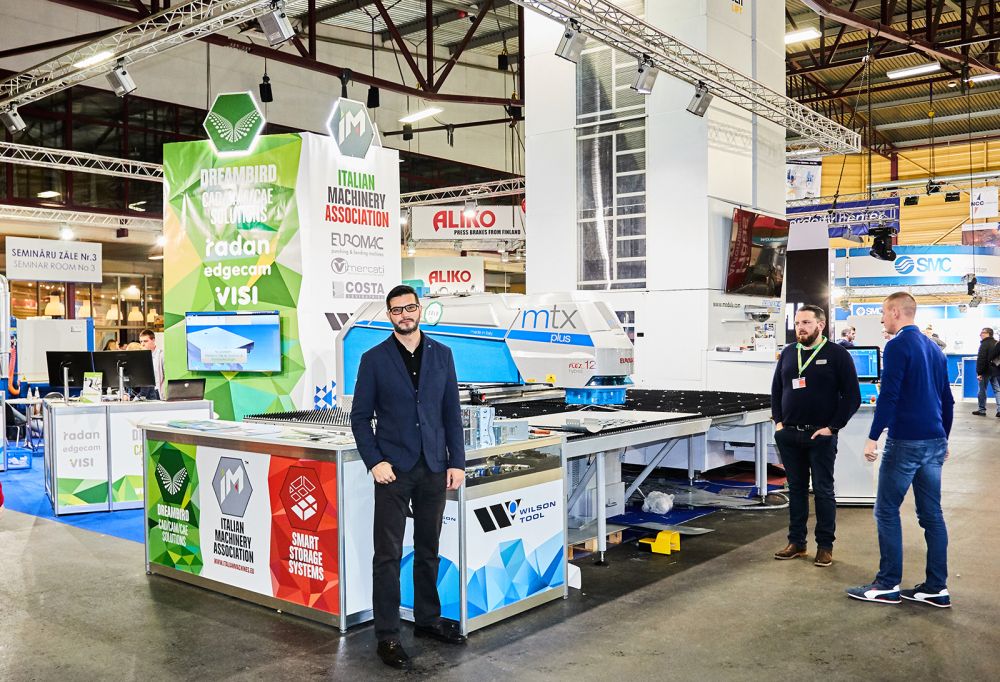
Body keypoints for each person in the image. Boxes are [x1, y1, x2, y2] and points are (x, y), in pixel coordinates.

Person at [350, 284, 467, 670]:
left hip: (434, 467)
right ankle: (387, 635)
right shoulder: (374, 359)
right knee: (387, 554)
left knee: (428, 548)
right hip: (393, 471)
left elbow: (451, 413)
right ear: (389, 315)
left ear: (420, 310)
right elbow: (360, 418)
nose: (405, 315)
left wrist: (457, 462)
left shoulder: (442, 354)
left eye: (410, 308)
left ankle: (428, 620)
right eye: (397, 310)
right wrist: (374, 461)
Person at [847, 292, 954, 607]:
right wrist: (944, 437)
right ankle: (936, 587)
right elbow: (947, 400)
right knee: (932, 515)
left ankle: (887, 583)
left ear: (895, 311)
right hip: (933, 441)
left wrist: (872, 437)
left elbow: (889, 396)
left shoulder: (896, 346)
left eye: (884, 312)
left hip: (905, 441)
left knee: (886, 510)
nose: (882, 319)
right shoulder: (935, 350)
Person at [771, 305, 861, 567]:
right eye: (798, 323)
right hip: (789, 435)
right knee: (797, 490)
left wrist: (832, 428)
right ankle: (797, 543)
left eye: (806, 323)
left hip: (820, 436)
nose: (800, 328)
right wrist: (779, 423)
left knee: (823, 491)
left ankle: (825, 546)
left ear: (820, 325)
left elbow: (852, 396)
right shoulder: (789, 353)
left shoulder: (837, 354)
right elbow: (777, 390)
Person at [972, 327, 1000, 417]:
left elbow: (981, 359)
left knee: (982, 390)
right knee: (997, 390)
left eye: (982, 332)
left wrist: (979, 373)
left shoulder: (984, 344)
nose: (980, 334)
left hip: (985, 371)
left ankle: (982, 410)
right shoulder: (996, 343)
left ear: (988, 334)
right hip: (995, 370)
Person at [139, 329, 164, 399]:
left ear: (153, 340)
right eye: (141, 341)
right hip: (143, 393)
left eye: (145, 341)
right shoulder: (140, 357)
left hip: (157, 394)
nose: (142, 344)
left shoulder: (161, 355)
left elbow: (166, 377)